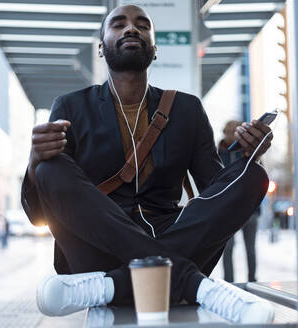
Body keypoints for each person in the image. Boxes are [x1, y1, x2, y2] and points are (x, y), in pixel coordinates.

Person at [21, 5, 274, 323]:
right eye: (119, 24)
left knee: (253, 174)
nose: (131, 29)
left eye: (142, 25)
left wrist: (248, 153)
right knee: (49, 167)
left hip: (173, 232)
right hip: (97, 244)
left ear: (154, 50)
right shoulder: (71, 106)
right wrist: (35, 161)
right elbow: (39, 215)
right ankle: (195, 285)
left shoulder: (187, 109)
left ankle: (111, 286)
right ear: (101, 48)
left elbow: (215, 186)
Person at [219, 120, 260, 283]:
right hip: (226, 211)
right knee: (227, 248)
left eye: (236, 130)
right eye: (230, 130)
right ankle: (229, 282)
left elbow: (259, 177)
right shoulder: (216, 153)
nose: (233, 133)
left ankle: (252, 280)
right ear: (224, 132)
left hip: (250, 210)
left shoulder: (250, 152)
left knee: (250, 248)